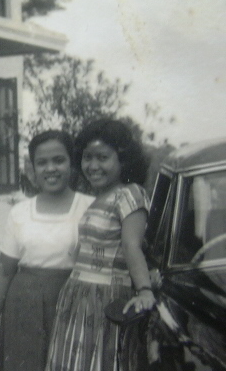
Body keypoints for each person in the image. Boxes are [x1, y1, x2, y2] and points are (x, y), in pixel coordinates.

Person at [45, 119, 156, 371]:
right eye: (87, 158)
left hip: (105, 298)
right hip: (78, 297)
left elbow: (131, 246)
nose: (93, 166)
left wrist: (145, 290)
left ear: (123, 160)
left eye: (102, 158)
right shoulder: (99, 198)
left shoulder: (130, 194)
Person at [0, 130, 94, 371]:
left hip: (73, 304)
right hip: (23, 307)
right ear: (32, 168)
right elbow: (4, 271)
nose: (50, 168)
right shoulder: (19, 212)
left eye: (58, 160)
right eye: (42, 163)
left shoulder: (89, 208)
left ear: (72, 163)